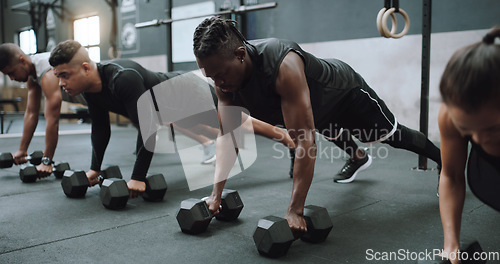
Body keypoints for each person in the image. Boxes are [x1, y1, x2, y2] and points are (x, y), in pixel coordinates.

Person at [193, 17, 441, 236]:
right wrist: (215, 195)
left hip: (346, 93)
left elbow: (304, 143)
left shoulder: (282, 64)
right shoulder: (223, 82)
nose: (218, 82)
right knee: (325, 126)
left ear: (239, 54)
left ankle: (443, 159)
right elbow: (229, 138)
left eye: (221, 74)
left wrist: (295, 210)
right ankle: (358, 158)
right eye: (211, 76)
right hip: (317, 108)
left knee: (392, 136)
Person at [49, 40, 294, 197]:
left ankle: (285, 137)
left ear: (85, 68)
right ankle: (216, 143)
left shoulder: (122, 79)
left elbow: (147, 128)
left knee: (231, 121)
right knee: (205, 126)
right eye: (57, 76)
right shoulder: (91, 90)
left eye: (65, 75)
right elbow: (100, 129)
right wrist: (94, 168)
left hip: (186, 91)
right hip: (167, 109)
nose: (61, 83)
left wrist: (137, 178)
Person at [437, 27, 499, 264]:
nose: (479, 140)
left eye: (492, 128)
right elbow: (451, 176)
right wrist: (451, 244)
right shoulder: (449, 116)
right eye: (468, 130)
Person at [0, 43, 86, 177]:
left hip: (107, 94)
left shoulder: (47, 73)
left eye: (11, 72)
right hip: (92, 101)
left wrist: (47, 160)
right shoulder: (33, 74)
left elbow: (52, 119)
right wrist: (22, 150)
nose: (11, 78)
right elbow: (31, 113)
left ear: (22, 60)